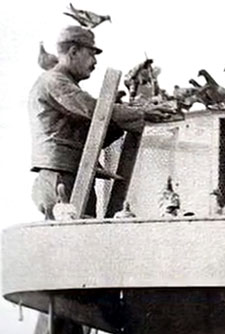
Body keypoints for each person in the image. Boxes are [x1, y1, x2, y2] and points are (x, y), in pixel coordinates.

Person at [29, 25, 173, 219]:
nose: (95, 62)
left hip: (76, 174)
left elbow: (93, 131)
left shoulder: (62, 84)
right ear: (73, 52)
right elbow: (93, 109)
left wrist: (125, 117)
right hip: (61, 177)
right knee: (72, 239)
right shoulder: (54, 81)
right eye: (91, 54)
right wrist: (141, 113)